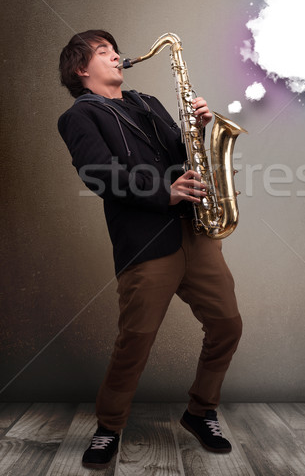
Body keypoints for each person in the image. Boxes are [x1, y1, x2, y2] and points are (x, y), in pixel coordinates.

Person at [58, 30, 242, 469]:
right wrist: (165, 192)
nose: (117, 56)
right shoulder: (79, 117)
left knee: (227, 326)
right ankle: (109, 427)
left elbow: (182, 155)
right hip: (146, 241)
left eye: (115, 50)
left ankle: (201, 412)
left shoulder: (149, 102)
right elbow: (98, 174)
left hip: (195, 232)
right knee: (135, 341)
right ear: (81, 69)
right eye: (104, 53)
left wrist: (197, 129)